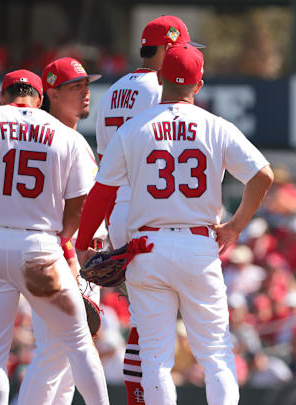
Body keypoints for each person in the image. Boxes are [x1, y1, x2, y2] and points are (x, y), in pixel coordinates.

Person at [75, 44, 273, 405]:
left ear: (161, 77)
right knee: (216, 353)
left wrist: (83, 241)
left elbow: (102, 193)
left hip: (147, 247)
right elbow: (263, 175)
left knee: (155, 358)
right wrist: (235, 225)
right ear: (198, 85)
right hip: (199, 245)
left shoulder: (135, 127)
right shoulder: (215, 126)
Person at [0, 69, 109, 405]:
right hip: (40, 245)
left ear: (3, 96)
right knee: (78, 342)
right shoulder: (65, 134)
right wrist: (64, 238)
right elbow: (81, 203)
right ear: (40, 99)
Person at [94, 14, 203, 404]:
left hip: (121, 209)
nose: (187, 56)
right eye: (183, 48)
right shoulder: (162, 88)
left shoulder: (112, 91)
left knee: (144, 324)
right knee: (154, 332)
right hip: (151, 213)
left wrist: (105, 225)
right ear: (169, 47)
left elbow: (104, 166)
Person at [16, 57, 107, 405]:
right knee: (56, 355)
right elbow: (61, 214)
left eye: (87, 84)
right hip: (66, 255)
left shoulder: (56, 137)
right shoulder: (59, 140)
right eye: (75, 87)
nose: (86, 92)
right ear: (51, 93)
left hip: (70, 254)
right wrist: (71, 258)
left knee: (67, 364)